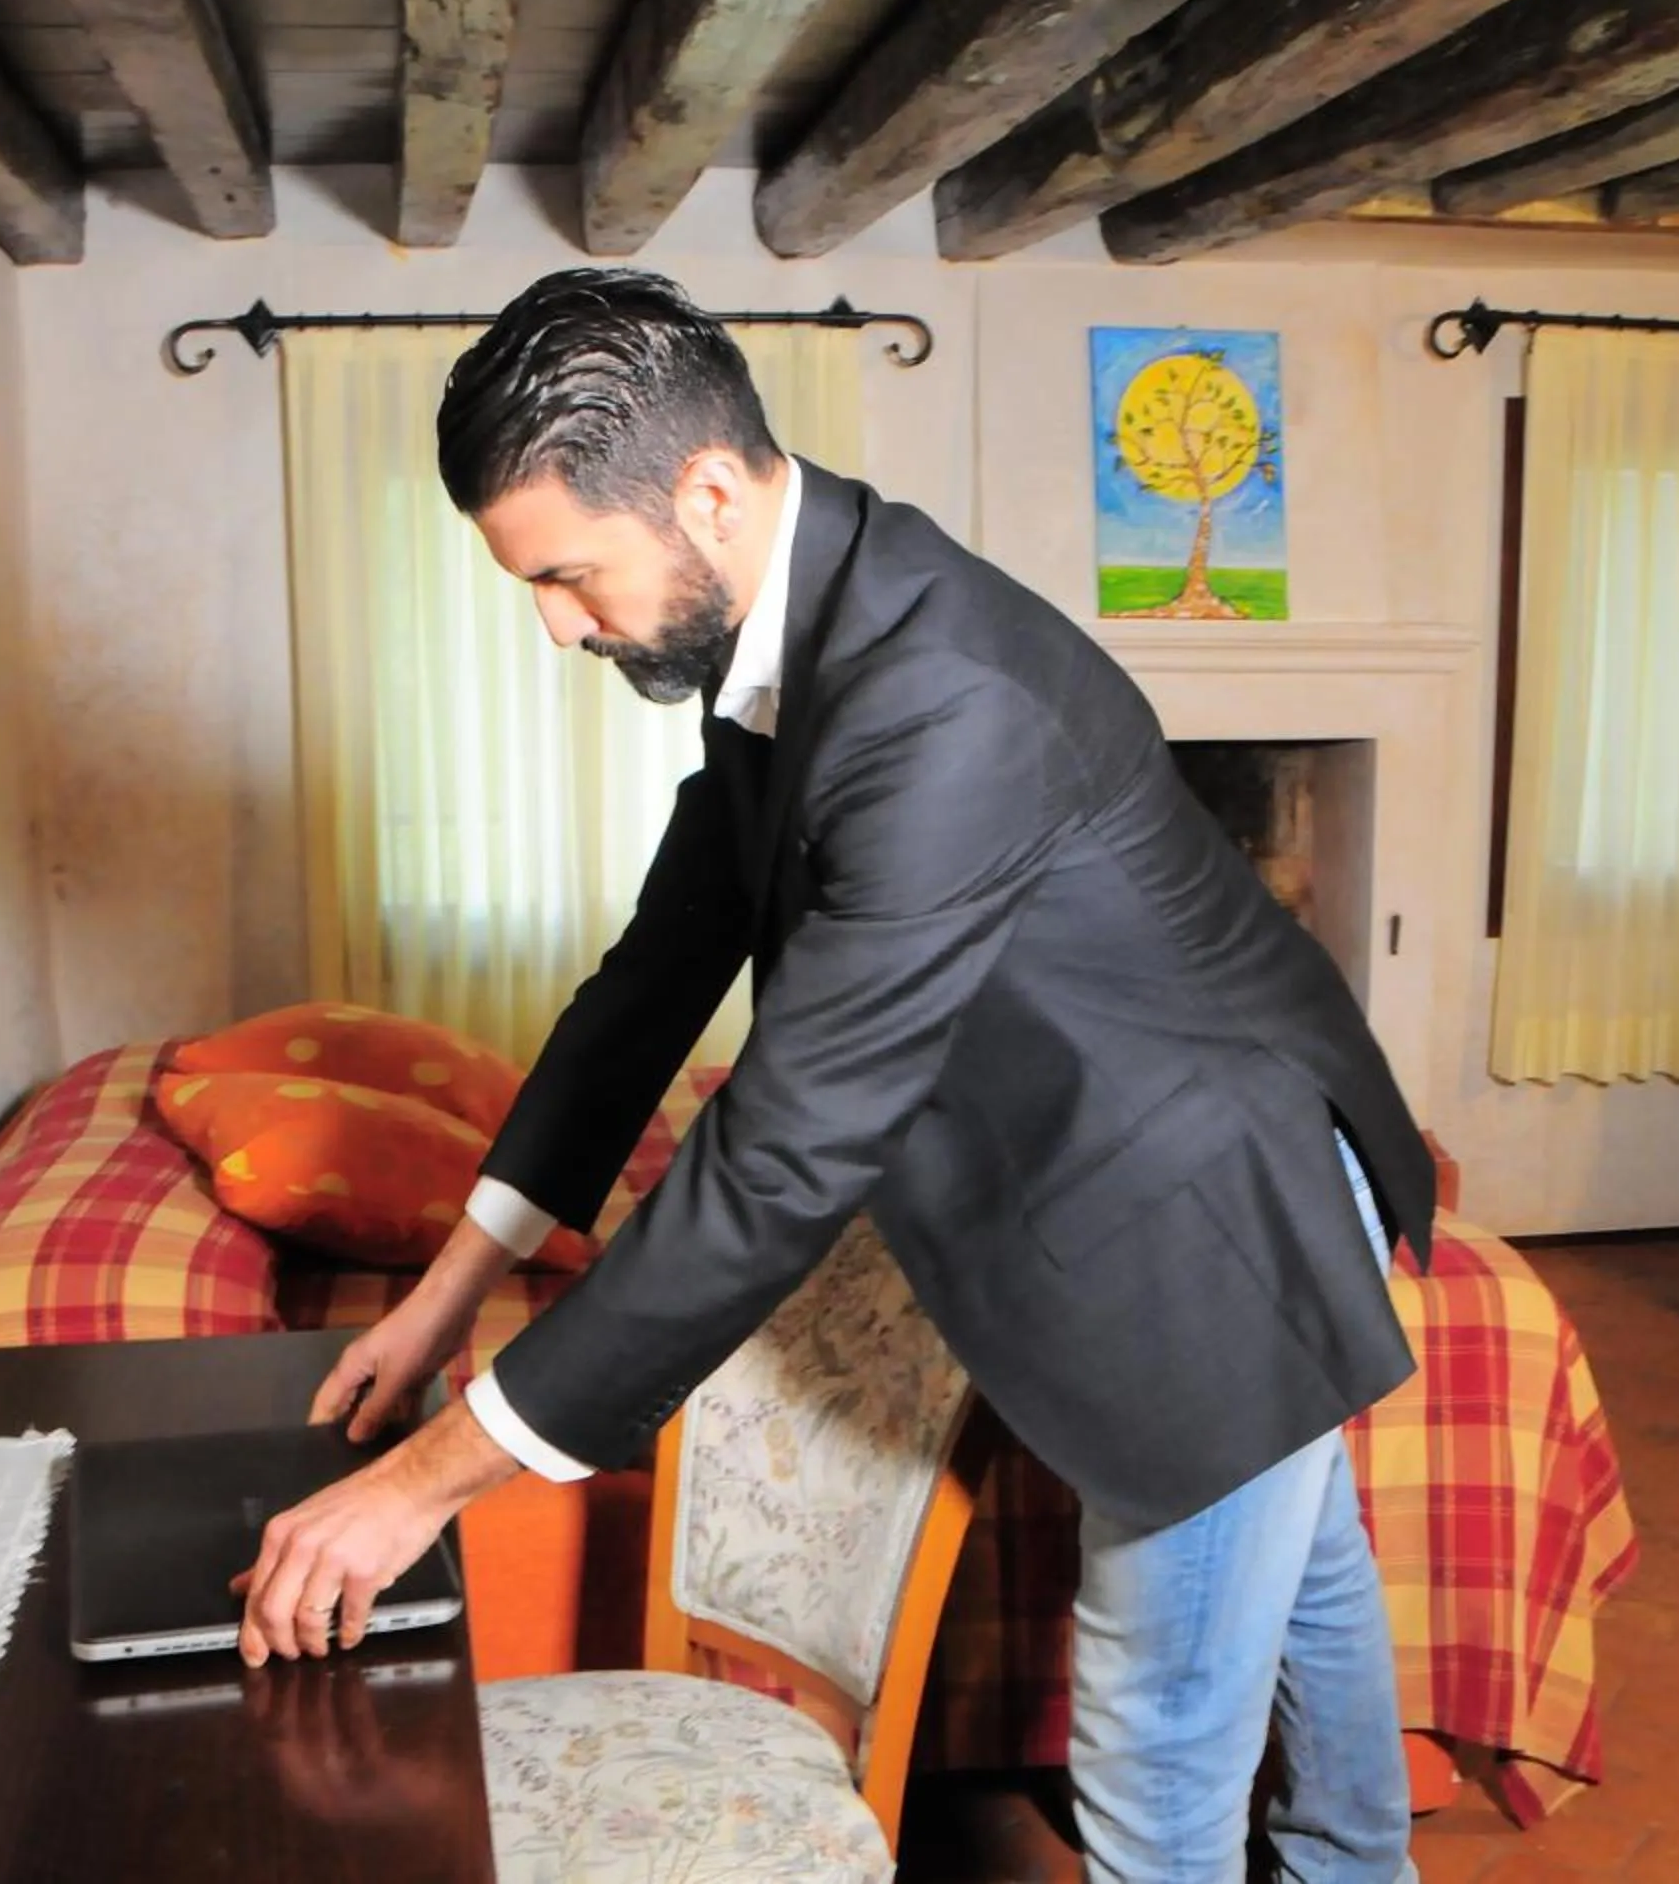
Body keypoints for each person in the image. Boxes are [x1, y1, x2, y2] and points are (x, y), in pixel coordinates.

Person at [233, 268, 1433, 1883]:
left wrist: (429, 1486)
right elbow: (658, 973)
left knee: (1154, 1752)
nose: (557, 626)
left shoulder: (943, 699)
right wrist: (455, 1291)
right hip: (1149, 1136)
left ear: (706, 496)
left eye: (569, 576)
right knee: (1307, 1578)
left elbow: (786, 1151)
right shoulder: (787, 631)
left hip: (1207, 1208)